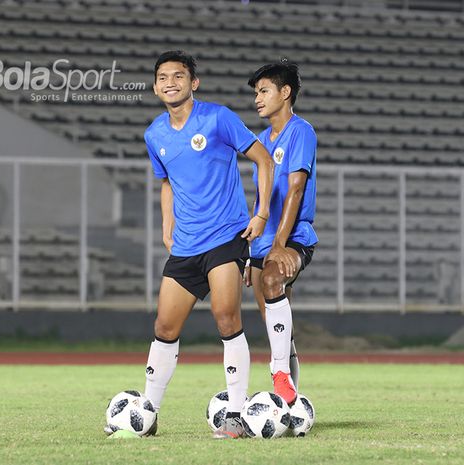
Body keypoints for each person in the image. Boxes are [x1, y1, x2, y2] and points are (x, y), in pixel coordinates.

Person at [117, 50, 273, 439]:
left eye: (179, 76)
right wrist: (167, 225)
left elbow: (264, 160)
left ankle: (236, 414)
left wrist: (262, 213)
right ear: (155, 88)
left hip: (226, 238)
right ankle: (148, 415)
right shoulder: (154, 134)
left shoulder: (218, 118)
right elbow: (166, 181)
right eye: (164, 78)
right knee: (164, 326)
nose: (171, 83)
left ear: (193, 83)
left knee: (226, 318)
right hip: (186, 246)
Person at [243, 60, 318, 406]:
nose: (257, 99)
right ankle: (290, 402)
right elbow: (261, 199)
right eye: (256, 92)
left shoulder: (301, 131)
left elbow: (296, 190)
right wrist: (252, 249)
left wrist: (278, 245)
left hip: (293, 238)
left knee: (274, 283)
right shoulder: (260, 140)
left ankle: (280, 380)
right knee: (276, 327)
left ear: (285, 93)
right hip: (263, 243)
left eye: (264, 91)